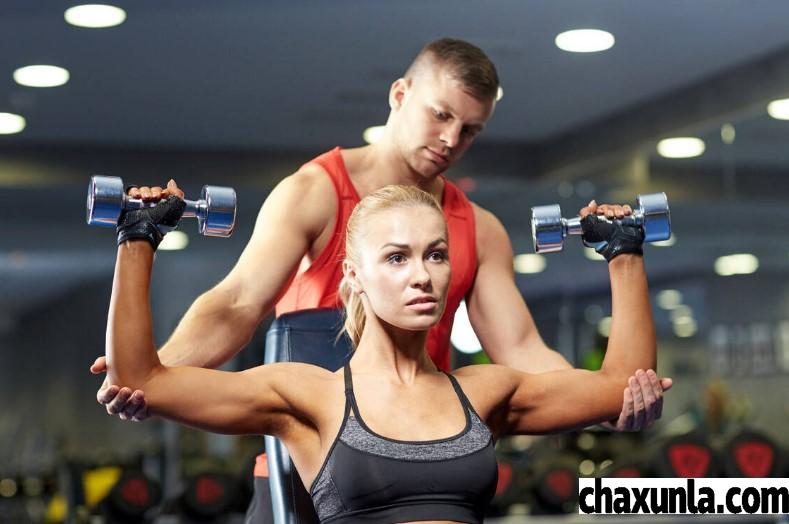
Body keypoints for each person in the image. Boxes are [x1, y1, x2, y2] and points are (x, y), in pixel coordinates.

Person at [91, 38, 671, 519]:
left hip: (430, 439)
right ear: (400, 94)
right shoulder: (315, 191)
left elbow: (521, 347)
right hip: (312, 450)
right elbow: (238, 303)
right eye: (441, 115)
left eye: (470, 130)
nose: (451, 140)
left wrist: (602, 400)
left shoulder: (479, 228)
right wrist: (151, 371)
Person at [105, 184, 658, 524]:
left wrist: (623, 250)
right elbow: (144, 380)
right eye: (397, 258)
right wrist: (138, 236)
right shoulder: (309, 396)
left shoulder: (486, 391)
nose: (423, 276)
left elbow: (621, 385)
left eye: (436, 255)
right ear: (354, 276)